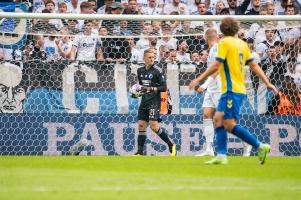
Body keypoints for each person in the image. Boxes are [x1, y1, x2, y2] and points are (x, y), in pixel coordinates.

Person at [189, 17, 278, 165]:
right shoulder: (242, 44)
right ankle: (221, 154)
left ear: (222, 31)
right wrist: (267, 83)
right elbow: (254, 65)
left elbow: (217, 66)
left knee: (228, 123)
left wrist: (199, 80)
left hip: (230, 90)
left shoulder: (224, 43)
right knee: (218, 119)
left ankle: (258, 146)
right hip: (237, 89)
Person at [134, 49, 176, 156]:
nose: (152, 59)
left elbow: (164, 87)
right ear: (144, 58)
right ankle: (140, 152)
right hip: (144, 101)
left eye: (153, 57)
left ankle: (170, 144)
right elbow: (141, 86)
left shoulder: (157, 71)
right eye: (149, 57)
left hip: (154, 102)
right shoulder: (140, 71)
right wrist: (137, 92)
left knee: (154, 126)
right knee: (141, 125)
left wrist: (150, 89)